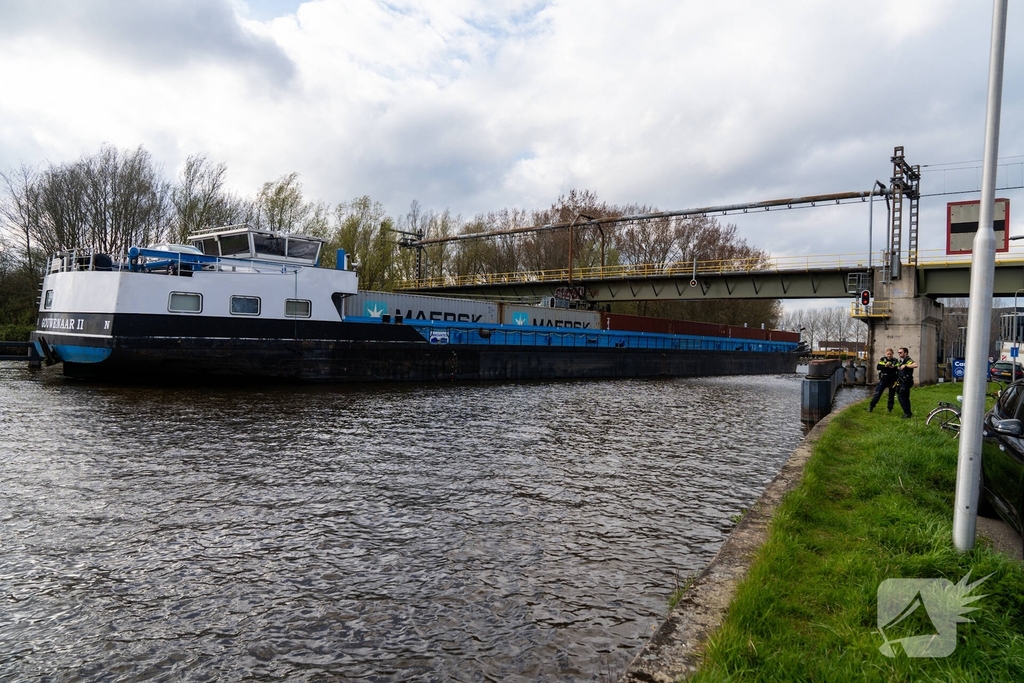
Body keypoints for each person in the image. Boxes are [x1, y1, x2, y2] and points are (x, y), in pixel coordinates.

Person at [895, 347, 919, 418]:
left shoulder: (908, 360)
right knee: (905, 397)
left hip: (906, 381)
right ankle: (908, 412)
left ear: (905, 353)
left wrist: (905, 365)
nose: (899, 354)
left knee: (901, 396)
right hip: (901, 381)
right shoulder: (900, 360)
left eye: (900, 352)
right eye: (898, 352)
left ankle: (907, 413)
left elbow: (915, 365)